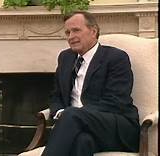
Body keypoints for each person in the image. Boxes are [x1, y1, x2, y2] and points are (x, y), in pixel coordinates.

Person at [42, 11, 140, 156]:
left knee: (72, 115)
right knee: (83, 142)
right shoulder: (65, 57)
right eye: (67, 32)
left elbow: (116, 101)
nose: (70, 37)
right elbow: (56, 95)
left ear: (93, 31)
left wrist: (75, 114)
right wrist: (59, 112)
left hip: (115, 126)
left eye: (76, 30)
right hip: (77, 127)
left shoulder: (115, 58)